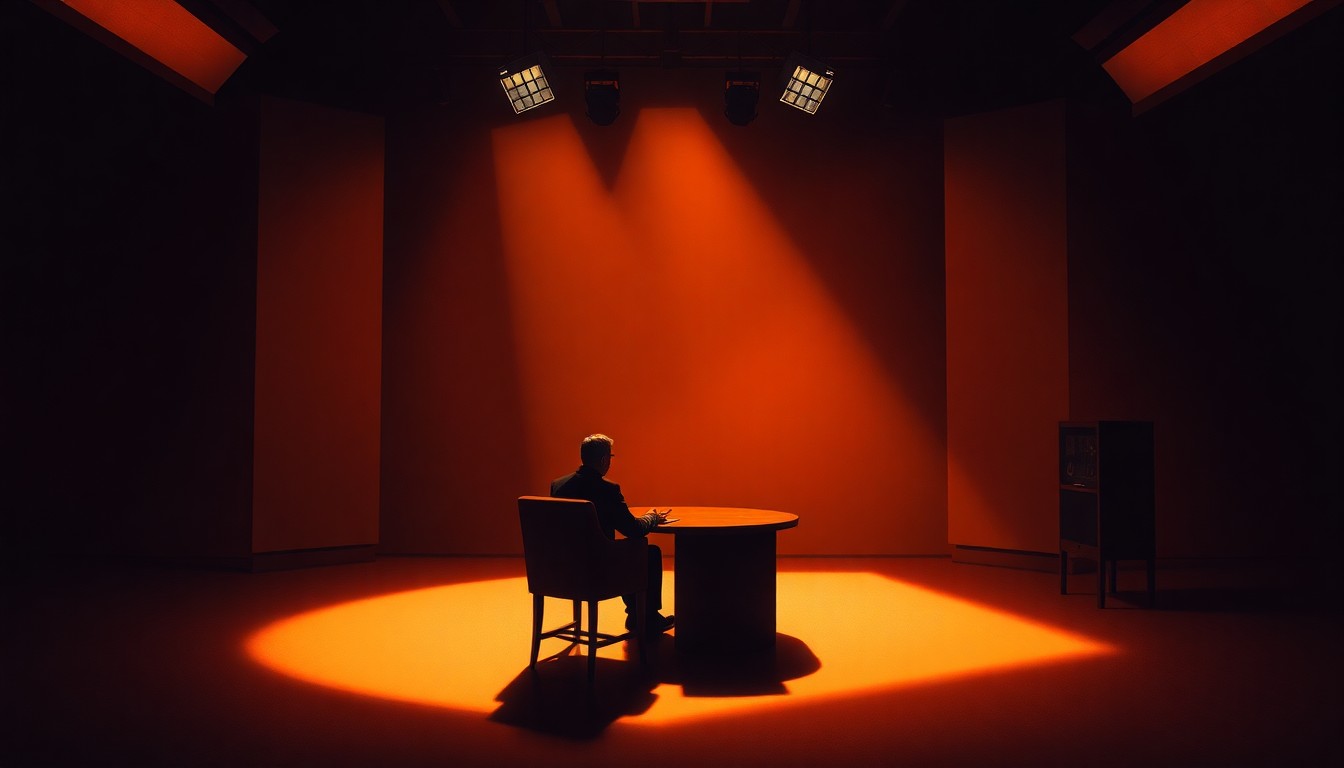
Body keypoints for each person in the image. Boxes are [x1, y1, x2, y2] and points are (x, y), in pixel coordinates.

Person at [550, 433, 674, 634]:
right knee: (648, 552)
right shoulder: (607, 489)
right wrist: (652, 517)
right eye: (610, 457)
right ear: (603, 460)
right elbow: (633, 530)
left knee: (626, 552)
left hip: (565, 568)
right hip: (599, 569)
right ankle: (645, 617)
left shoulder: (558, 486)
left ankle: (636, 616)